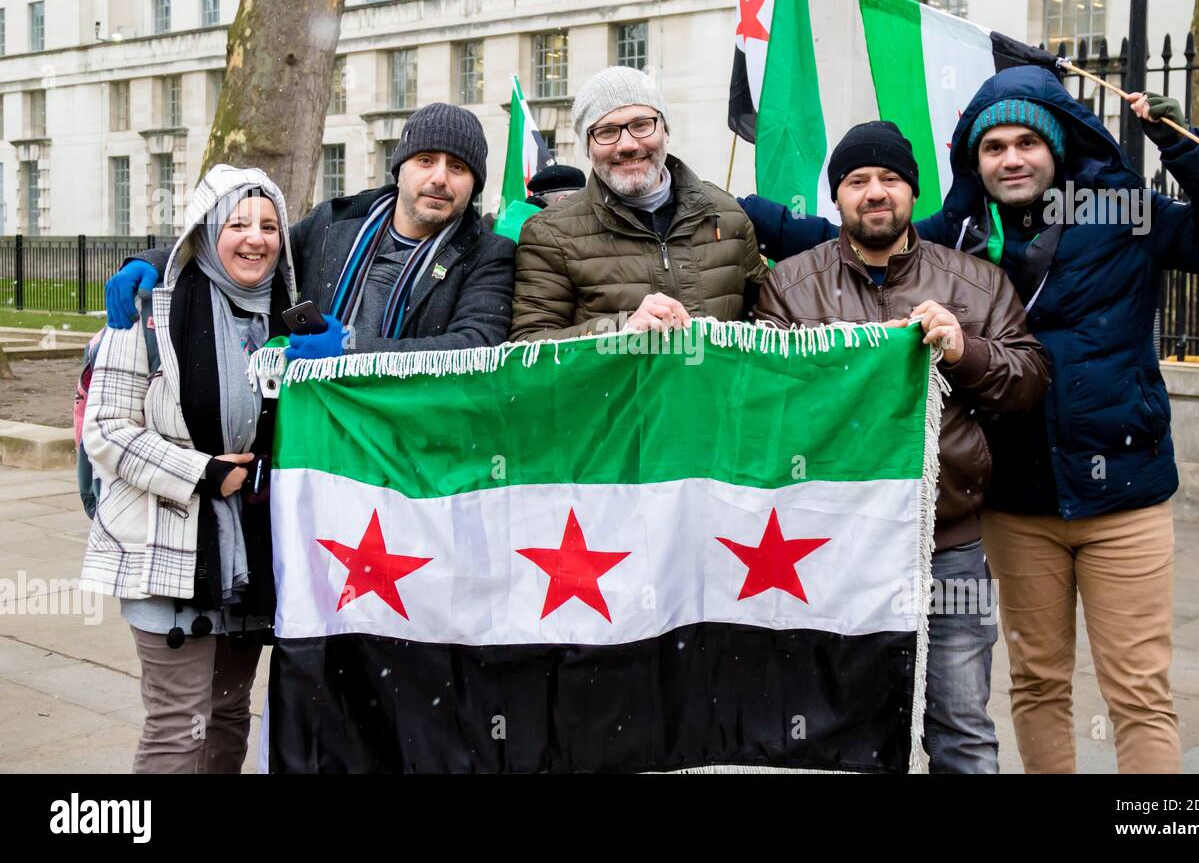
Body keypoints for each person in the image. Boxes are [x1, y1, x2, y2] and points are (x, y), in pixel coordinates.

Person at [745, 68, 1199, 773]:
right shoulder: (960, 235)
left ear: (1056, 149)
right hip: (1016, 503)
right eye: (993, 146)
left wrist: (1179, 141)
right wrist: (731, 208)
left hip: (1125, 495)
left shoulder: (1126, 216)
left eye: (1028, 141)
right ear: (976, 161)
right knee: (1036, 684)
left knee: (1139, 692)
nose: (1012, 158)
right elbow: (860, 229)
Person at [754, 121, 1050, 773]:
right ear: (837, 197)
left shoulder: (974, 284)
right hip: (833, 553)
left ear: (914, 193)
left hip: (949, 548)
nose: (875, 192)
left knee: (962, 730)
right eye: (858, 181)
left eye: (890, 179)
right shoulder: (789, 287)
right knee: (840, 735)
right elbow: (763, 401)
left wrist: (963, 349)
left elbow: (1028, 384)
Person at [80, 165, 297, 773]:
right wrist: (203, 472)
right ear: (206, 231)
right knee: (178, 726)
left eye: (269, 225)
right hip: (168, 548)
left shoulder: (290, 315)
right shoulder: (149, 311)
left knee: (228, 717)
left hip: (252, 557)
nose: (255, 238)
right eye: (237, 223)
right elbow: (107, 429)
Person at [104, 104, 515, 357]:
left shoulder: (487, 254)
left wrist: (350, 348)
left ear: (473, 183)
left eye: (457, 167)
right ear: (401, 168)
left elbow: (475, 345)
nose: (440, 178)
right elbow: (253, 251)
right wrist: (158, 262)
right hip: (312, 428)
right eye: (426, 160)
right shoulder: (334, 223)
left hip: (409, 440)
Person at [511, 66, 768, 340]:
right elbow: (528, 349)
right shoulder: (549, 233)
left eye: (641, 125)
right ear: (588, 147)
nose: (628, 144)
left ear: (665, 131)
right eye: (607, 132)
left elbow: (767, 319)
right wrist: (621, 331)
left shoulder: (726, 213)